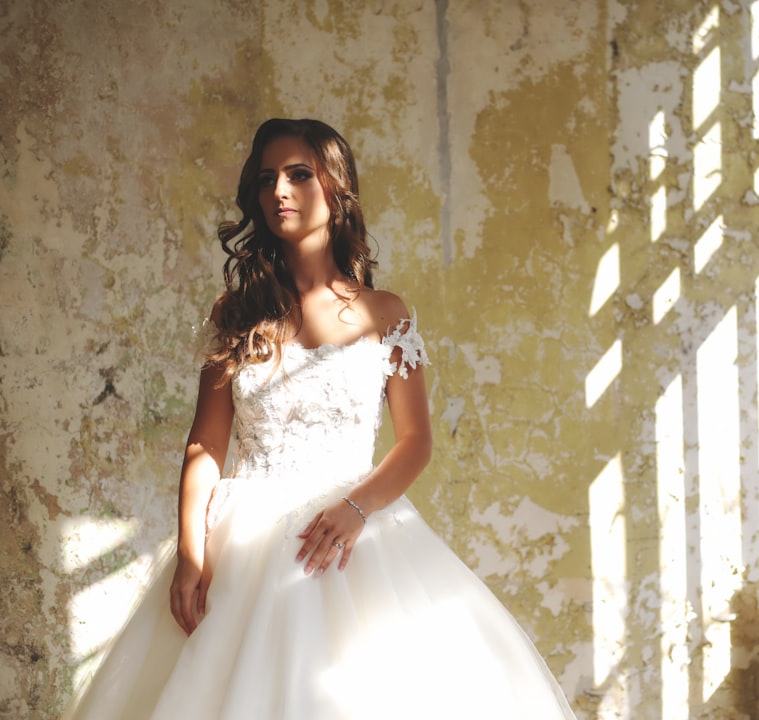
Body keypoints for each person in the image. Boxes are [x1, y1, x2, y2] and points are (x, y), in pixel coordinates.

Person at [64, 118, 576, 719]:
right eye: (265, 179)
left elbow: (415, 443)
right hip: (243, 541)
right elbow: (204, 444)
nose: (279, 190)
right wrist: (191, 553)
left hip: (352, 536)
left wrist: (356, 509)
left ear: (336, 189)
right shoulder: (237, 314)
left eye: (298, 174)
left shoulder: (385, 314)